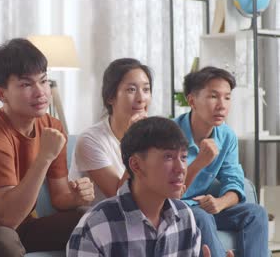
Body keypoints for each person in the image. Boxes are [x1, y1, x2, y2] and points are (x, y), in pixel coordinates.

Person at [0, 38, 95, 256]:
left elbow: (59, 197)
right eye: (26, 84)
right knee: (5, 240)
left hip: (25, 226)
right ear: (1, 94)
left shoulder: (52, 126)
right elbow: (8, 218)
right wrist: (44, 157)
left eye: (43, 81)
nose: (40, 92)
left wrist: (77, 197)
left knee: (90, 218)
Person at [67, 116, 201, 256]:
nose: (181, 168)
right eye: (168, 157)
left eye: (184, 157)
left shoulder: (184, 216)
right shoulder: (97, 225)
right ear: (136, 165)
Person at [174, 66, 268, 257]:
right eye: (213, 96)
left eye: (227, 97)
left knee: (256, 213)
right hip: (176, 209)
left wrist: (220, 202)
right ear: (191, 100)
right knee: (202, 216)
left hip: (208, 208)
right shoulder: (169, 134)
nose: (222, 105)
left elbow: (234, 181)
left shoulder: (226, 136)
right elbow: (167, 192)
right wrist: (200, 161)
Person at [69, 58, 152, 205]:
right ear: (110, 97)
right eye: (131, 90)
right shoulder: (90, 140)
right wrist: (135, 140)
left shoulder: (155, 135)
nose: (141, 98)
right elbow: (119, 196)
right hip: (104, 221)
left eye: (146, 89)